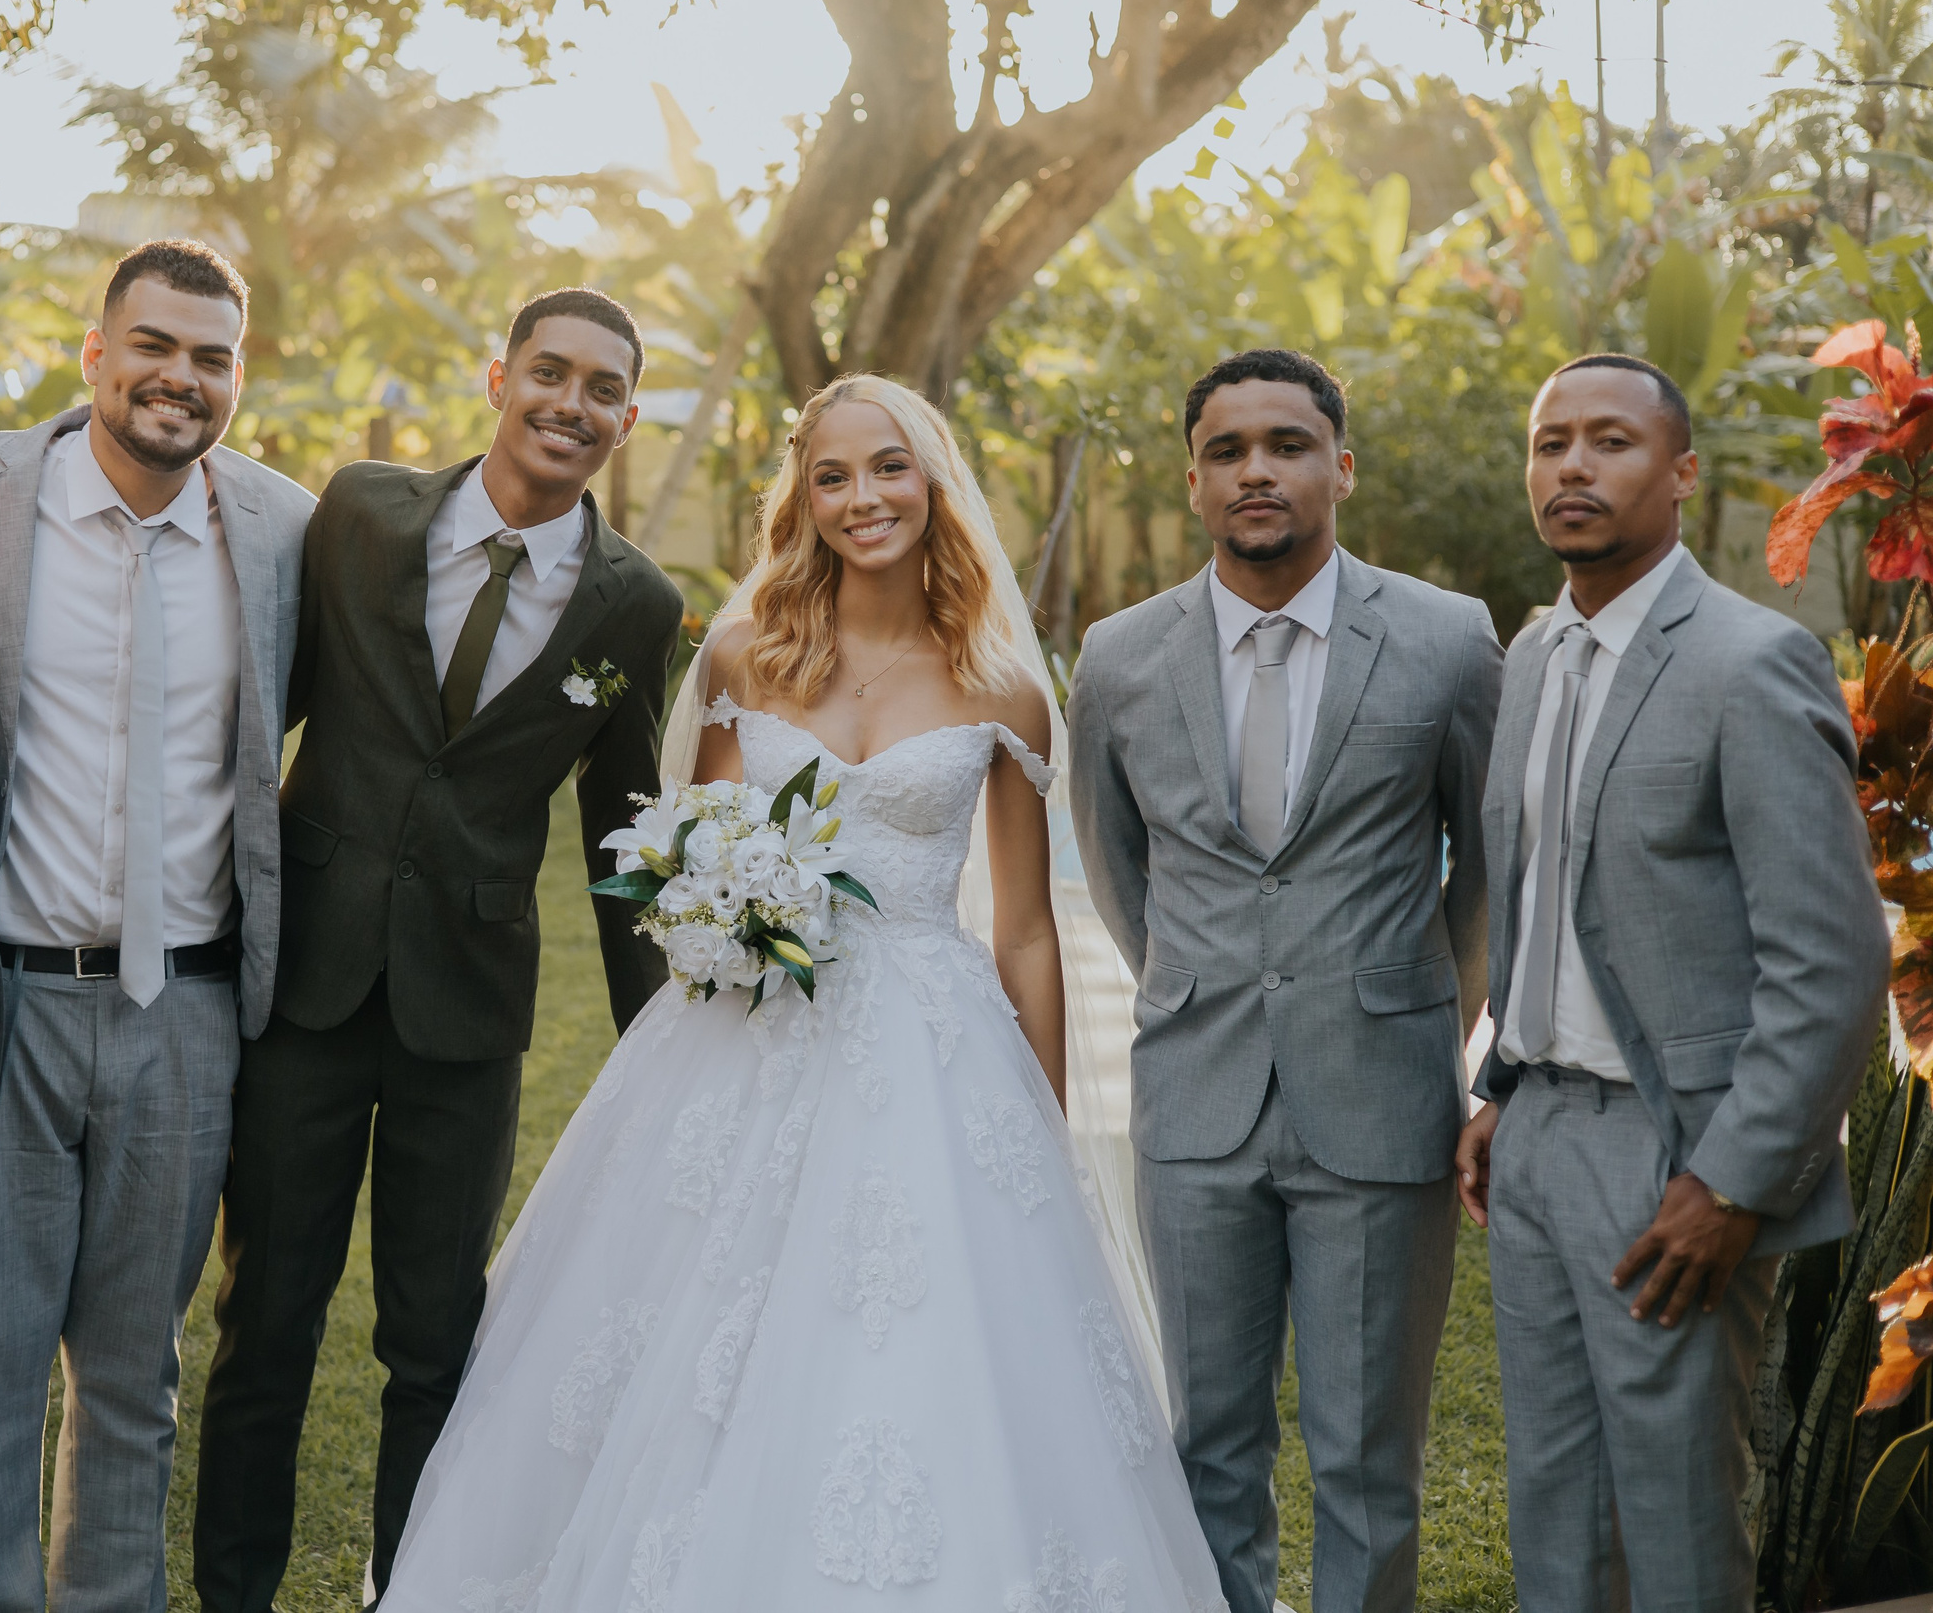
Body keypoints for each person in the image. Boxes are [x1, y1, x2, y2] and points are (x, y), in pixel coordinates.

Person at [370, 372, 1226, 1611]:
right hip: (740, 1034)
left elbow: (1029, 933)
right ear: (803, 494)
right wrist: (718, 923)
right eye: (831, 475)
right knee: (672, 1332)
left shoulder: (1000, 683)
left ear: (932, 480)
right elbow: (693, 846)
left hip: (930, 1050)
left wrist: (1035, 1120)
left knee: (911, 1339)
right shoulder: (741, 651)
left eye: (887, 468)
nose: (861, 497)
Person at [192, 287, 684, 1610]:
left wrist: (666, 1047)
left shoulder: (637, 604)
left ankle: (405, 1592)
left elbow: (623, 828)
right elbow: (257, 715)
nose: (570, 404)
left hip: (467, 1014)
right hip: (307, 979)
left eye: (601, 389)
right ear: (498, 377)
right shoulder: (360, 514)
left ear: (627, 419)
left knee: (433, 1340)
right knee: (266, 1318)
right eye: (550, 372)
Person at [0, 238, 314, 1612]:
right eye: (156, 345)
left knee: (138, 1368)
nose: (181, 377)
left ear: (238, 375)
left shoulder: (288, 531)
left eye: (212, 355)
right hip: (4, 998)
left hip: (186, 1008)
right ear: (96, 352)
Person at [1068, 348, 1502, 1613]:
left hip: (1380, 1097)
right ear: (1194, 481)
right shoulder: (1116, 657)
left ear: (1340, 467)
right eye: (1226, 450)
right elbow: (1115, 867)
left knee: (1370, 1457)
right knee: (1207, 1448)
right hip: (1194, 1102)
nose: (1256, 470)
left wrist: (1430, 1021)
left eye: (1287, 444)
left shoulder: (1443, 639)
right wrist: (1200, 989)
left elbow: (1485, 869)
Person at [1455, 354, 1885, 1612]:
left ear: (1681, 473)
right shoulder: (1532, 655)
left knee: (1675, 1519)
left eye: (1610, 442)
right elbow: (1542, 901)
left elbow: (1830, 957)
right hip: (1533, 1140)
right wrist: (1501, 1088)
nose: (1572, 468)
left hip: (1673, 1159)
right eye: (1549, 445)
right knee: (1554, 1505)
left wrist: (1734, 1180)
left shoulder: (1750, 664)